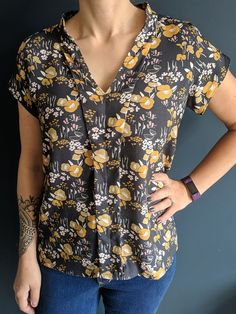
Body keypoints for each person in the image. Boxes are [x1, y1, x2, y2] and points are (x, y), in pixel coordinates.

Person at [8, 0, 236, 313]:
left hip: (144, 259)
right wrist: (26, 255)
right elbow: (31, 162)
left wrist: (189, 189)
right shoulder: (37, 53)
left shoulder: (179, 45)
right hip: (60, 258)